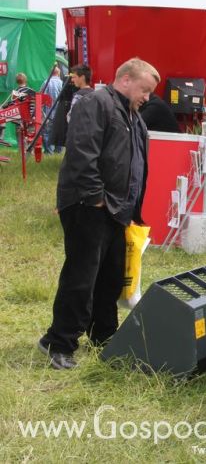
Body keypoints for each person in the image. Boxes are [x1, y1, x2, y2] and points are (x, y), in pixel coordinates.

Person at [38, 58, 159, 370]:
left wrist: (131, 209)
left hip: (116, 211)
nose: (147, 96)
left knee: (110, 278)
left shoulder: (133, 116)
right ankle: (58, 342)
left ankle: (105, 338)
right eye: (144, 89)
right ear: (126, 79)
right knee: (82, 277)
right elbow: (81, 151)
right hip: (87, 206)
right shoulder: (96, 103)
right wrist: (95, 199)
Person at [42, 65, 64, 153]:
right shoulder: (62, 83)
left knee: (47, 133)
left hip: (48, 113)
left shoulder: (46, 83)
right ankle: (58, 151)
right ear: (58, 73)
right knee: (60, 132)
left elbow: (41, 96)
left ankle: (49, 152)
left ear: (50, 73)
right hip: (60, 113)